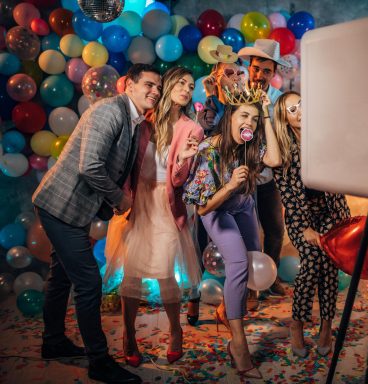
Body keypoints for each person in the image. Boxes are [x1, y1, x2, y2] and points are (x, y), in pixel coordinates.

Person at [32, 63, 162, 384]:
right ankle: (99, 361)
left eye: (158, 87)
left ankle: (53, 342)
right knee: (89, 283)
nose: (154, 92)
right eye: (148, 84)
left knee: (61, 277)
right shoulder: (110, 111)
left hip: (72, 210)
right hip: (59, 206)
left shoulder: (133, 120)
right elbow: (90, 166)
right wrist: (120, 199)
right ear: (128, 85)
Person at [104, 67, 203, 366]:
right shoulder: (142, 121)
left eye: (191, 85)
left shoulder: (192, 129)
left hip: (166, 204)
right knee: (132, 271)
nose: (187, 89)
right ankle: (129, 335)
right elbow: (125, 165)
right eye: (181, 83)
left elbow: (178, 181)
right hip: (138, 202)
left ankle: (175, 332)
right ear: (168, 85)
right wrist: (120, 198)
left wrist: (185, 160)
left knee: (164, 271)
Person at [183, 88, 281, 378]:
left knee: (253, 259)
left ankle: (228, 309)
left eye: (253, 118)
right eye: (243, 116)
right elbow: (201, 210)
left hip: (244, 205)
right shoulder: (209, 150)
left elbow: (274, 160)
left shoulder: (252, 146)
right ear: (230, 119)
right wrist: (228, 186)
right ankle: (239, 344)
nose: (249, 123)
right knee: (238, 263)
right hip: (218, 209)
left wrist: (265, 115)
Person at [272, 92, 351, 358]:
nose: (300, 112)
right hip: (300, 216)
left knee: (328, 264)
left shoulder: (324, 137)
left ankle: (326, 326)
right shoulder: (282, 149)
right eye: (292, 109)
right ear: (284, 119)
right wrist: (304, 227)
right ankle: (298, 323)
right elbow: (287, 194)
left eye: (301, 104)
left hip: (331, 210)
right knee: (312, 262)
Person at [186, 45, 247, 324]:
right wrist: (212, 98)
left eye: (238, 73)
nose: (235, 77)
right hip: (210, 187)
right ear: (216, 76)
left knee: (239, 249)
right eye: (228, 73)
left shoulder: (244, 106)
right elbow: (207, 134)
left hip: (236, 187)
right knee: (199, 244)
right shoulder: (208, 106)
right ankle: (193, 300)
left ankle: (227, 305)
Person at [238, 39, 291, 298]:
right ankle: (246, 285)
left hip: (269, 178)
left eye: (266, 71)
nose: (260, 75)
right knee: (243, 232)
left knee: (275, 230)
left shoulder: (279, 101)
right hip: (240, 178)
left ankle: (270, 278)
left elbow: (284, 139)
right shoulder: (234, 95)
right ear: (249, 67)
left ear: (274, 73)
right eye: (256, 69)